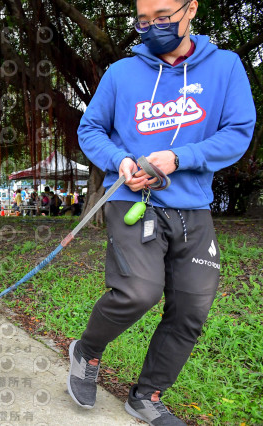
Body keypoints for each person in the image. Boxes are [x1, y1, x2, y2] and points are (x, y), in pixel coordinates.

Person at [68, 0, 256, 424]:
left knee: (191, 309)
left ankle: (146, 394)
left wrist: (180, 157)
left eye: (163, 17)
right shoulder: (121, 74)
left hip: (194, 206)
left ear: (191, 10)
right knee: (139, 291)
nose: (152, 27)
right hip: (133, 202)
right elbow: (90, 129)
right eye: (143, 20)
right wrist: (120, 160)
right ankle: (87, 351)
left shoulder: (225, 67)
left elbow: (238, 132)